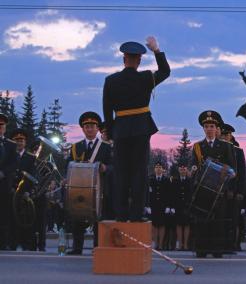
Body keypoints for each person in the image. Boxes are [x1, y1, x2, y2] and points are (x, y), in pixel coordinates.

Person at [102, 37, 170, 222]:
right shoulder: (146, 77)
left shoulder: (111, 80)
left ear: (124, 59)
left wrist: (109, 130)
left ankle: (121, 214)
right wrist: (156, 50)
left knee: (121, 172)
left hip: (121, 130)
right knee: (139, 172)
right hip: (141, 129)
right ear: (139, 60)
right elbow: (165, 71)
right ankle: (136, 214)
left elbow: (107, 109)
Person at [191, 110, 236, 257]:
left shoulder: (225, 146)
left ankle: (217, 249)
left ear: (216, 129)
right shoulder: (197, 147)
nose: (209, 129)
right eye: (207, 126)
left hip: (219, 190)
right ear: (203, 129)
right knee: (202, 220)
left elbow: (233, 169)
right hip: (203, 190)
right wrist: (195, 171)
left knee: (218, 221)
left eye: (212, 126)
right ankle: (202, 249)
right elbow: (194, 166)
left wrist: (225, 170)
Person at [67, 111, 112, 255]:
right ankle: (77, 247)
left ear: (97, 128)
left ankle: (97, 247)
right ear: (83, 129)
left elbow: (114, 166)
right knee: (77, 216)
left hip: (99, 188)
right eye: (87, 126)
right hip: (79, 188)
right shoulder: (75, 147)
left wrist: (105, 168)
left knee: (99, 217)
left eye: (92, 126)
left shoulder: (105, 147)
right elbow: (69, 165)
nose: (90, 129)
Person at [220, 123, 246, 250]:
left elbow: (242, 174)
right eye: (223, 134)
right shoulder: (217, 149)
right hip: (219, 191)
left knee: (234, 219)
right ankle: (222, 243)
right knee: (221, 218)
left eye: (227, 135)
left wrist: (239, 192)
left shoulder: (238, 151)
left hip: (234, 191)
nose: (225, 137)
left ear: (231, 136)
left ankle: (233, 244)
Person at [11, 128, 36, 251]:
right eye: (16, 141)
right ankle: (12, 243)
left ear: (25, 142)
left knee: (25, 218)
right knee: (11, 218)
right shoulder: (9, 156)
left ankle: (27, 244)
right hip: (11, 190)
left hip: (24, 192)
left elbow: (32, 175)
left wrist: (28, 191)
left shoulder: (31, 158)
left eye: (21, 140)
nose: (19, 143)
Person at [0, 113, 18, 250]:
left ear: (5, 128)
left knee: (4, 214)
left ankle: (3, 243)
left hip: (4, 184)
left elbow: (14, 163)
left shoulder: (11, 145)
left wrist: (3, 172)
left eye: (2, 125)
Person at [148, 162, 172, 250]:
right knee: (154, 225)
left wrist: (169, 206)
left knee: (161, 225)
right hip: (153, 206)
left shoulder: (166, 180)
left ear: (163, 169)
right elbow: (147, 194)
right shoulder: (150, 180)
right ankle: (155, 244)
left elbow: (169, 194)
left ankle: (161, 244)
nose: (158, 169)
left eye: (160, 167)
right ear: (154, 169)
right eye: (157, 167)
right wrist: (147, 206)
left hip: (163, 206)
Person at [171, 163, 191, 251]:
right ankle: (179, 244)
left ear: (187, 170)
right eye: (181, 169)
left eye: (184, 168)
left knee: (186, 225)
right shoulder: (175, 181)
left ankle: (186, 245)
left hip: (187, 206)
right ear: (179, 170)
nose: (183, 170)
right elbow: (172, 194)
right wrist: (172, 206)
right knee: (179, 225)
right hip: (178, 206)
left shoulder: (190, 180)